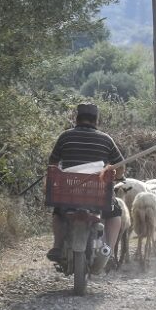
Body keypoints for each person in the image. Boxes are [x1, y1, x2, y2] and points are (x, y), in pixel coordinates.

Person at [46, 103, 125, 262]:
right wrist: (118, 176)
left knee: (58, 213)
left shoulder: (65, 136)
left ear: (77, 118)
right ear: (96, 120)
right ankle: (108, 250)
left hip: (68, 194)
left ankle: (57, 245)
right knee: (115, 213)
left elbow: (52, 164)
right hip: (96, 195)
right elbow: (120, 165)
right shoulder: (105, 139)